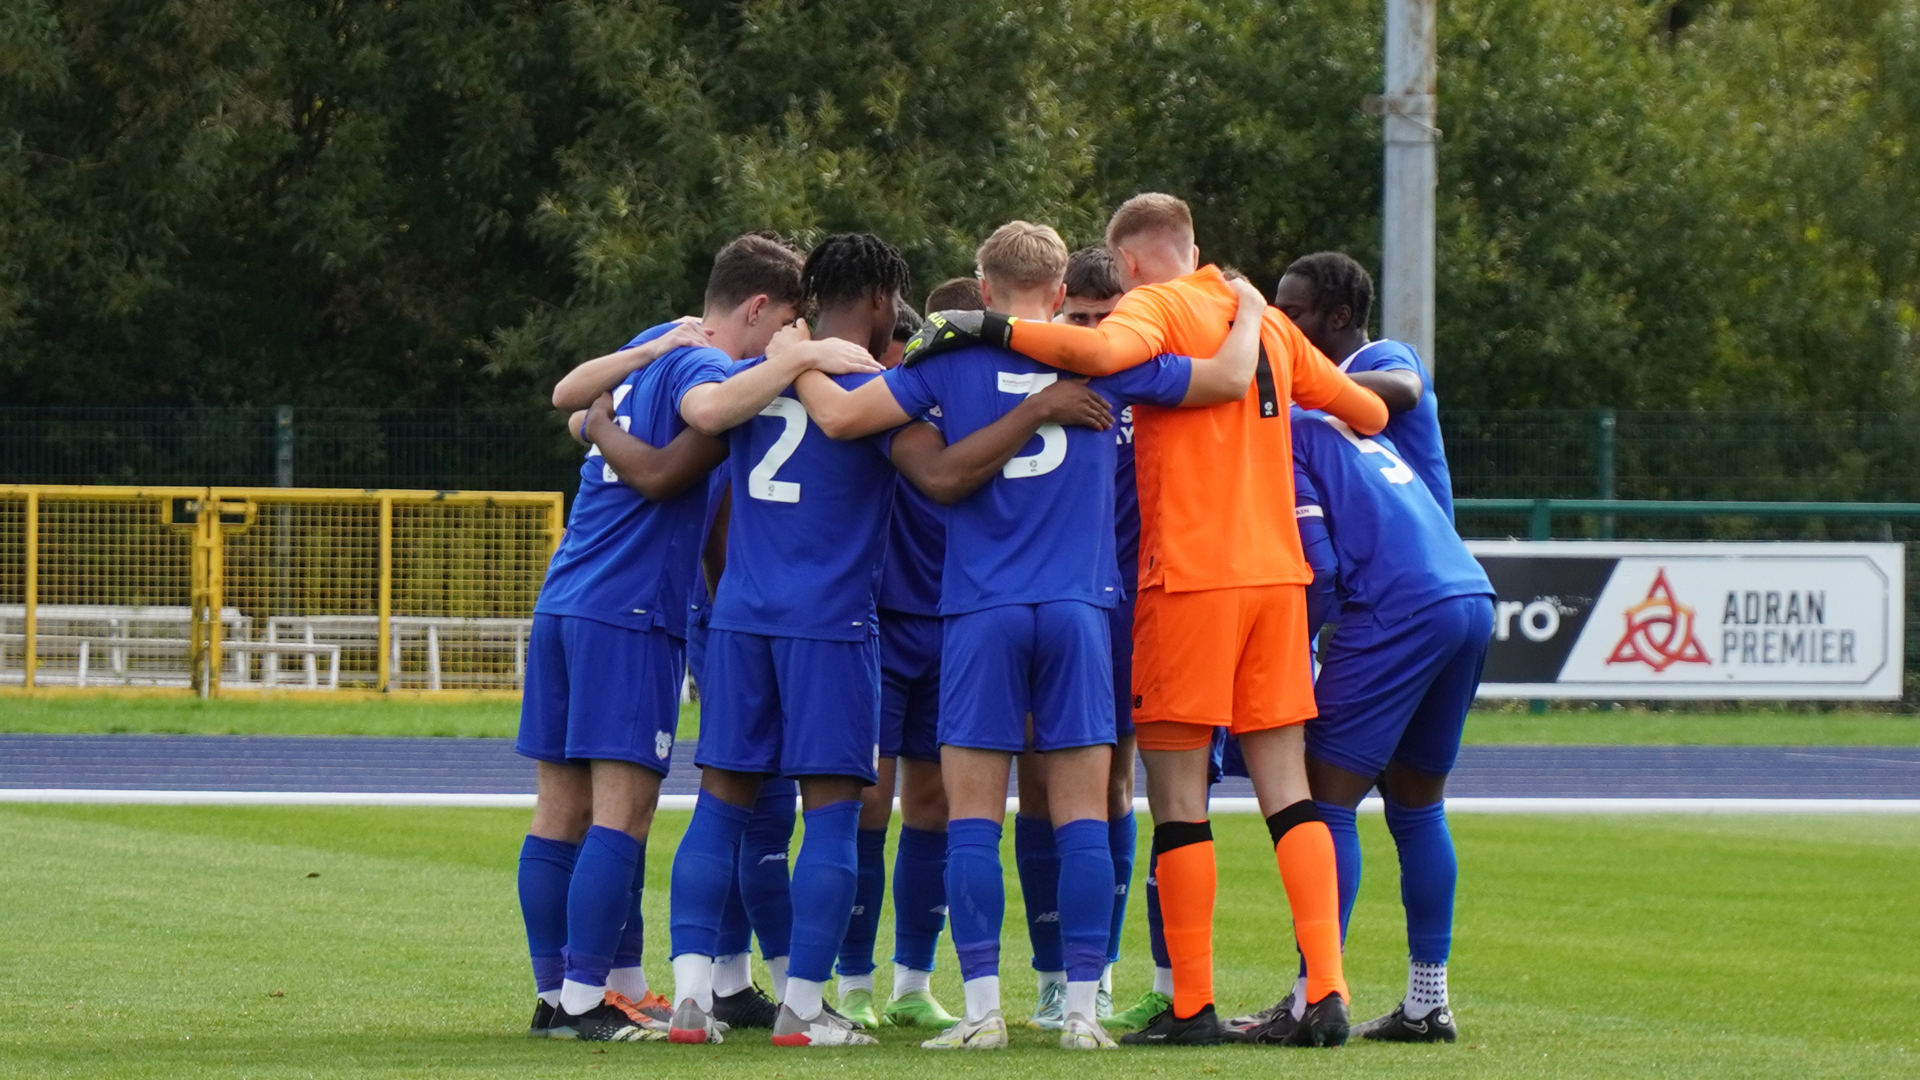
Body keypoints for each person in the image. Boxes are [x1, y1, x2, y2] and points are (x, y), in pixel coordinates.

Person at [903, 193, 1389, 1047]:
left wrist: (980, 330)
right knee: (1288, 790)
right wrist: (1251, 317)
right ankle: (1326, 986)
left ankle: (1191, 1003)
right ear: (1195, 245)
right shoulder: (1266, 321)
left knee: (1176, 803)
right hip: (1279, 577)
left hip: (1190, 577)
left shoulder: (1154, 309)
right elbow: (1371, 412)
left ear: (1127, 264)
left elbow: (1095, 352)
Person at [792, 220, 1270, 1051]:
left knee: (973, 818)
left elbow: (838, 421)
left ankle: (981, 1013)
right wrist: (1250, 307)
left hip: (981, 611)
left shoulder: (945, 362)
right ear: (1058, 295)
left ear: (982, 293)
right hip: (1081, 611)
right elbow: (1231, 377)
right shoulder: (1106, 360)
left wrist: (793, 356)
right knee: (1084, 815)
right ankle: (1080, 1009)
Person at [518, 233, 881, 1041]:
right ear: (758, 309)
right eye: (785, 321)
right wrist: (799, 360)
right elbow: (677, 455)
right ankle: (582, 1004)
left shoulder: (660, 340)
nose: (789, 336)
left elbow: (571, 396)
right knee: (621, 814)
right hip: (632, 611)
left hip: (567, 595)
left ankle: (579, 990)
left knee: (560, 811)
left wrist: (591, 426)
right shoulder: (716, 370)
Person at [1226, 407, 1492, 1045]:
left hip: (1394, 607)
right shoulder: (1341, 421)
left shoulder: (1280, 432)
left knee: (1323, 803)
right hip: (1469, 594)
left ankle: (1311, 997)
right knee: (1418, 805)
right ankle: (1428, 1002)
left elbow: (1318, 568)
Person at [1010, 245, 1142, 1031]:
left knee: (1114, 787)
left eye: (1105, 317)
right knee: (1036, 784)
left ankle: (1102, 969)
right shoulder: (1032, 375)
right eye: (1080, 317)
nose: (1092, 330)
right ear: (1060, 310)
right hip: (1048, 596)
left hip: (1124, 605)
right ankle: (1052, 971)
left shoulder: (1140, 379)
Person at [831, 298, 962, 1031]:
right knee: (867, 803)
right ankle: (852, 981)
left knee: (936, 803)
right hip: (877, 626)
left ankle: (914, 981)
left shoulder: (970, 417)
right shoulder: (869, 419)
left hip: (953, 627)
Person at [1272, 251, 1454, 518]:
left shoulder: (1381, 354)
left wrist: (1314, 385)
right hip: (1366, 542)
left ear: (1339, 317)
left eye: (1292, 314)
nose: (1281, 326)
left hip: (1417, 543)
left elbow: (1406, 388)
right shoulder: (1315, 379)